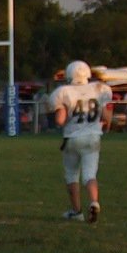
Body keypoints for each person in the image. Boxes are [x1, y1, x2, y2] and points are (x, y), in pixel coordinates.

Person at [51, 59, 112, 224]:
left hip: (72, 138)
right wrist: (106, 125)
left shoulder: (64, 92)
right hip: (93, 137)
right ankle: (94, 201)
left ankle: (76, 211)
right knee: (90, 175)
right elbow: (106, 116)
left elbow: (60, 120)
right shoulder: (99, 89)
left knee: (72, 175)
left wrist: (61, 114)